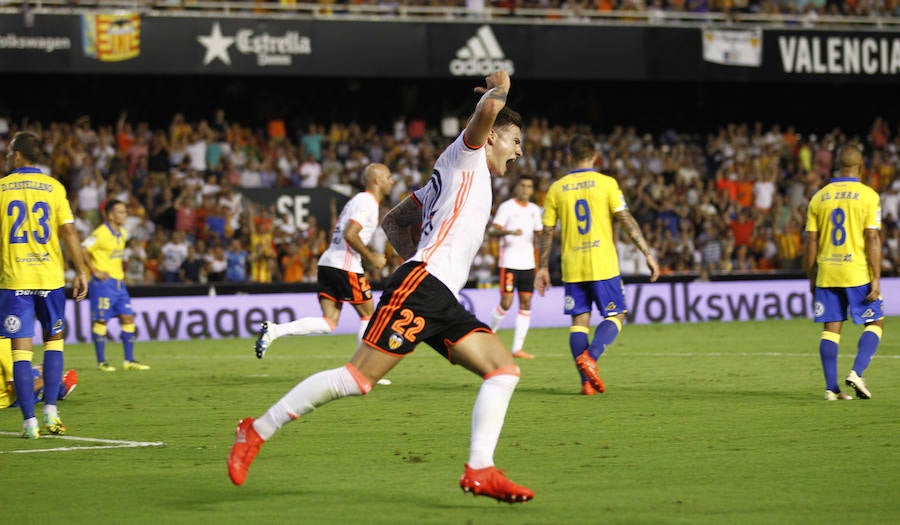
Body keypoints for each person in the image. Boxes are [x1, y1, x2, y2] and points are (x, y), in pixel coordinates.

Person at [229, 71, 535, 503]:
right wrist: (500, 87)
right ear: (490, 139)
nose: (519, 151)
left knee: (503, 370)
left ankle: (480, 469)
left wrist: (416, 255)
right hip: (424, 285)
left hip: (439, 294)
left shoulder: (451, 178)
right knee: (356, 379)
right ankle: (255, 431)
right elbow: (487, 109)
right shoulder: (466, 155)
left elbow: (394, 223)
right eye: (515, 140)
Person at [534, 134, 660, 396]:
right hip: (603, 263)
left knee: (579, 322)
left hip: (572, 265)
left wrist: (542, 267)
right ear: (595, 157)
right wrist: (646, 252)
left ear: (569, 157)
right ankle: (590, 357)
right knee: (616, 315)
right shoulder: (607, 184)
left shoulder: (557, 188)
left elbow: (547, 231)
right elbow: (625, 219)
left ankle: (586, 383)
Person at [0, 131, 90, 438]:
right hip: (50, 279)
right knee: (54, 343)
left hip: (15, 281)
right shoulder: (54, 188)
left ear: (19, 156)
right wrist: (81, 271)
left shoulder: (1, 189)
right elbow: (68, 233)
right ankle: (51, 411)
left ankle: (29, 423)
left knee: (21, 354)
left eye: (10, 152)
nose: (8, 156)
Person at [253, 163, 394, 357]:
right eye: (388, 177)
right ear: (377, 180)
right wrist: (372, 257)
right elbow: (350, 234)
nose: (392, 181)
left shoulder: (359, 201)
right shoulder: (367, 202)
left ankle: (275, 330)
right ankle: (360, 371)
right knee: (369, 315)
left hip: (328, 262)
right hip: (345, 265)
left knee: (329, 322)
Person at [804, 145, 884, 401]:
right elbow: (872, 237)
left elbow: (811, 242)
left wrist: (810, 276)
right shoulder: (868, 196)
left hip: (827, 271)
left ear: (837, 166)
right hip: (855, 271)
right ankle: (857, 373)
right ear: (861, 166)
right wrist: (877, 277)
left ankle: (831, 389)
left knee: (831, 328)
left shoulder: (819, 197)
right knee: (876, 321)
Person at [82, 199, 150, 372]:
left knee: (128, 317)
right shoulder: (101, 233)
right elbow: (83, 248)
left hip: (119, 284)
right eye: (121, 211)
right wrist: (94, 270)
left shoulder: (123, 233)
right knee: (102, 320)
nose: (125, 214)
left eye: (126, 211)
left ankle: (129, 361)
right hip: (103, 283)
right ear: (111, 215)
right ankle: (101, 362)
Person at [487, 174, 543, 359]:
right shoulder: (507, 207)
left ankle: (517, 348)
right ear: (516, 188)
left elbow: (539, 235)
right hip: (509, 262)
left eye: (529, 186)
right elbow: (493, 231)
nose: (525, 189)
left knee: (526, 303)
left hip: (528, 265)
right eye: (522, 185)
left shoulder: (535, 210)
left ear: (532, 190)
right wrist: (509, 231)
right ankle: (487, 337)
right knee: (506, 302)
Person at [1, 338, 78, 409]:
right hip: (8, 399)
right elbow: (21, 390)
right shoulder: (3, 345)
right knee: (46, 372)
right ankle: (61, 389)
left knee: (38, 369)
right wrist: (46, 378)